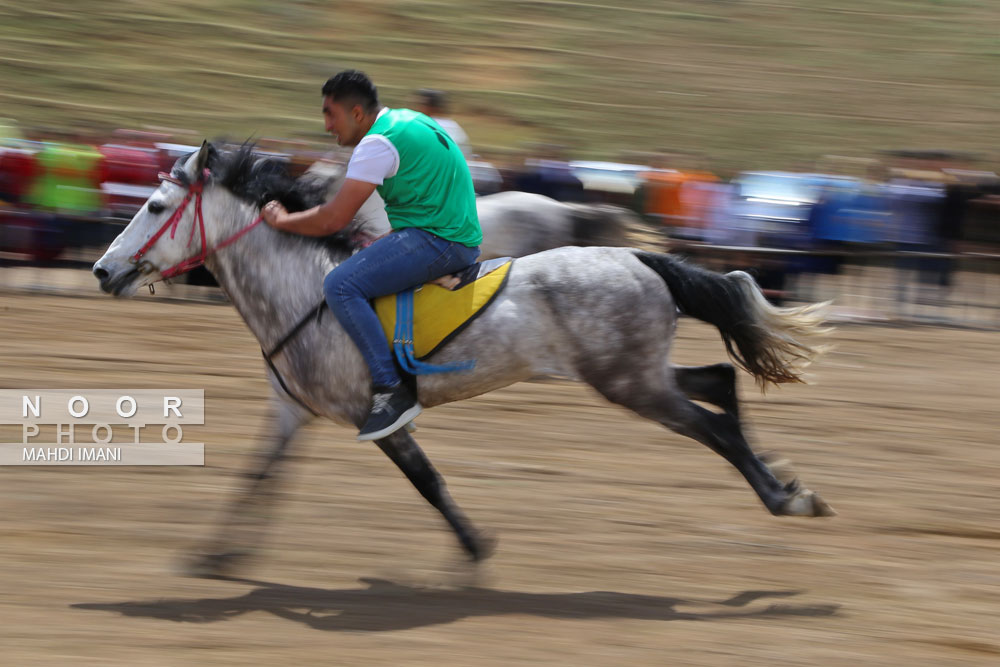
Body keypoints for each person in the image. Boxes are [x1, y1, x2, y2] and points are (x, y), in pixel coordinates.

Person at [262, 70, 482, 441]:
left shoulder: (376, 144)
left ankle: (390, 391)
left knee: (341, 284)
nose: (328, 125)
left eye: (331, 115)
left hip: (438, 241)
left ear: (358, 113)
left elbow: (333, 218)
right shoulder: (411, 119)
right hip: (455, 236)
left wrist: (282, 220)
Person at [413, 88, 472, 159]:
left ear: (430, 107)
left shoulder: (428, 125)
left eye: (422, 104)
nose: (418, 108)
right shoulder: (453, 125)